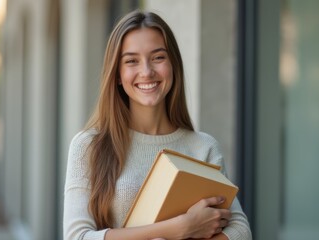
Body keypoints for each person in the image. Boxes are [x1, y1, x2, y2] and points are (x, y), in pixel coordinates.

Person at [63, 9, 252, 240]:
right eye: (132, 61)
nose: (147, 71)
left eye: (158, 57)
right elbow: (77, 237)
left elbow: (241, 231)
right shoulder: (89, 146)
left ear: (173, 66)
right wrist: (178, 229)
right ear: (117, 75)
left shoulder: (203, 147)